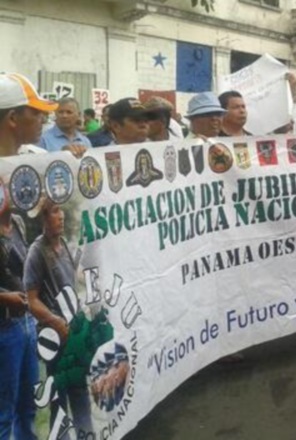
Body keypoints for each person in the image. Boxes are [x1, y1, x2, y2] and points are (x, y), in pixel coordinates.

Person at [0, 72, 57, 440]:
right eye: (36, 113)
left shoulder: (27, 165)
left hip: (21, 325)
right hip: (3, 326)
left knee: (25, 409)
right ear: (12, 118)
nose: (44, 120)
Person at [26, 197, 93, 437]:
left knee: (81, 395)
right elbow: (31, 299)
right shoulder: (36, 252)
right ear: (44, 219)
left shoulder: (63, 244)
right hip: (54, 339)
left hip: (72, 335)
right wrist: (56, 322)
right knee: (59, 403)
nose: (61, 215)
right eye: (54, 211)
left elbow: (73, 278)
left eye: (61, 210)